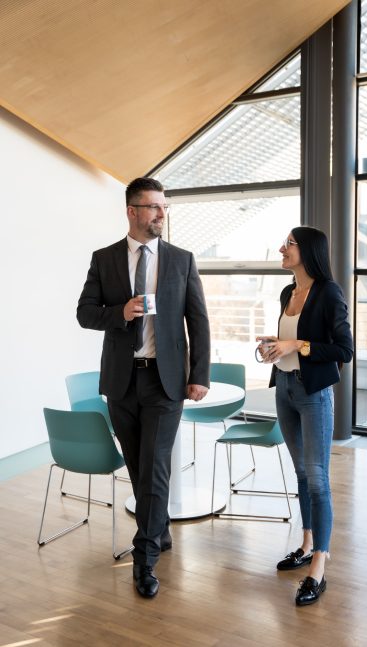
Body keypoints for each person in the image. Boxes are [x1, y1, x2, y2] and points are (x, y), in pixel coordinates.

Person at [77, 177, 210, 598]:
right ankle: (159, 529)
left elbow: (198, 321)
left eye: (163, 207)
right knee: (138, 464)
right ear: (131, 211)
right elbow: (85, 314)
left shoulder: (181, 260)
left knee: (154, 466)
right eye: (152, 207)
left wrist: (199, 375)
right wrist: (121, 311)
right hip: (121, 380)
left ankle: (145, 559)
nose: (161, 214)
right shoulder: (105, 259)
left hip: (165, 381)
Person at [256, 226, 353, 606]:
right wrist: (275, 347)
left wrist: (297, 344)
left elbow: (343, 350)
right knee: (301, 473)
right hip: (285, 389)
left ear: (308, 250)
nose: (281, 248)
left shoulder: (329, 293)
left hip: (314, 394)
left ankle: (319, 565)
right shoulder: (287, 292)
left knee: (317, 478)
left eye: (289, 244)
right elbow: (291, 343)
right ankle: (307, 543)